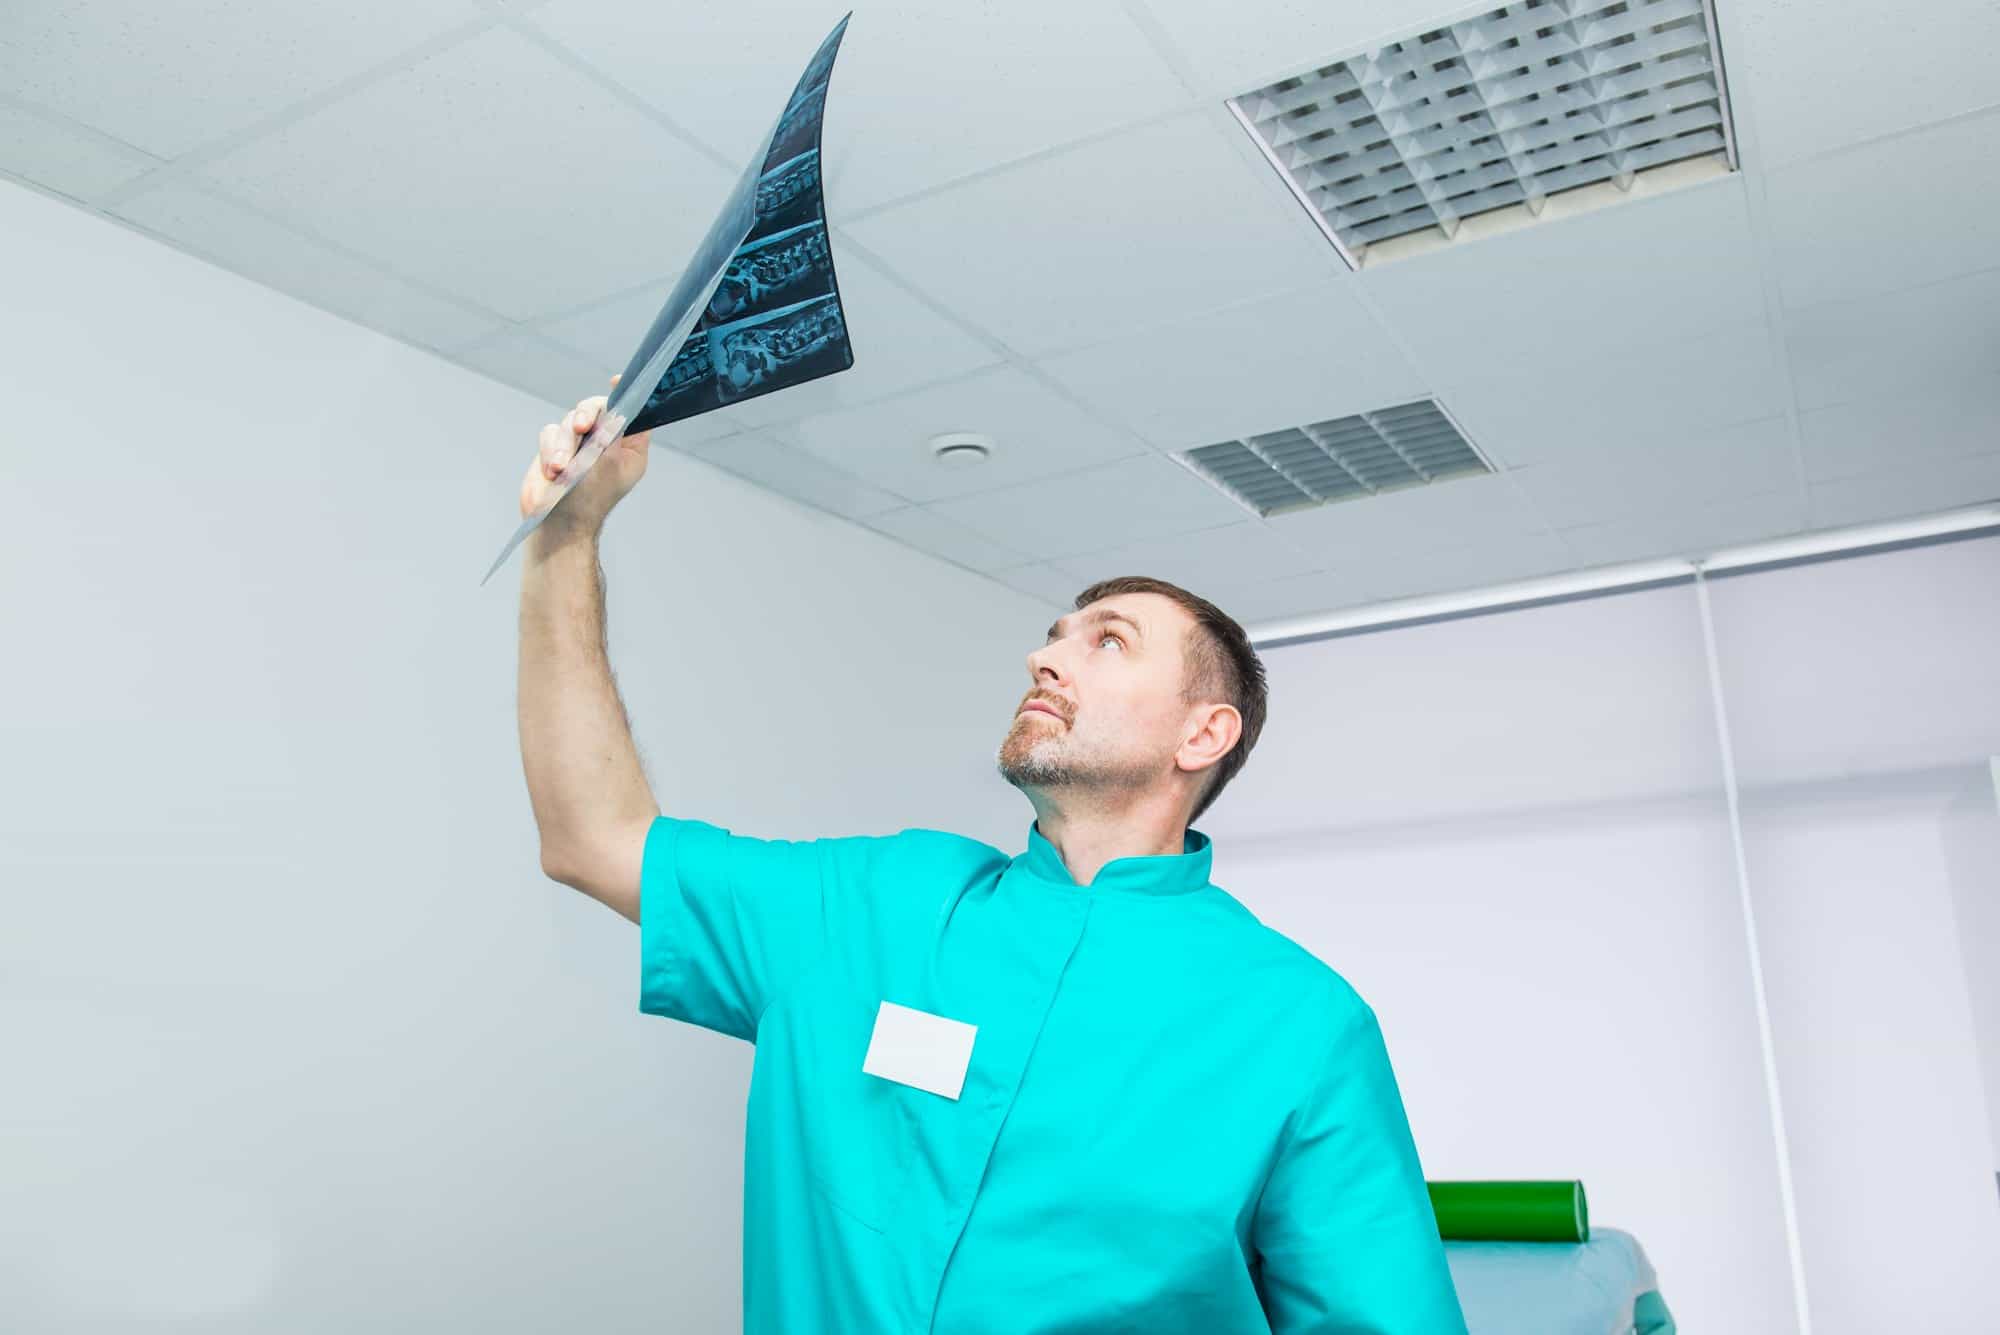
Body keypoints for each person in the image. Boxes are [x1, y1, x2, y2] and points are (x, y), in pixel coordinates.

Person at [517, 381, 1468, 1334]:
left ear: (1202, 733)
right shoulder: (873, 904)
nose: (1046, 659)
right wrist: (568, 537)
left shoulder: (1300, 1024)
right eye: (1055, 637)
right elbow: (592, 836)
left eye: (1108, 643)